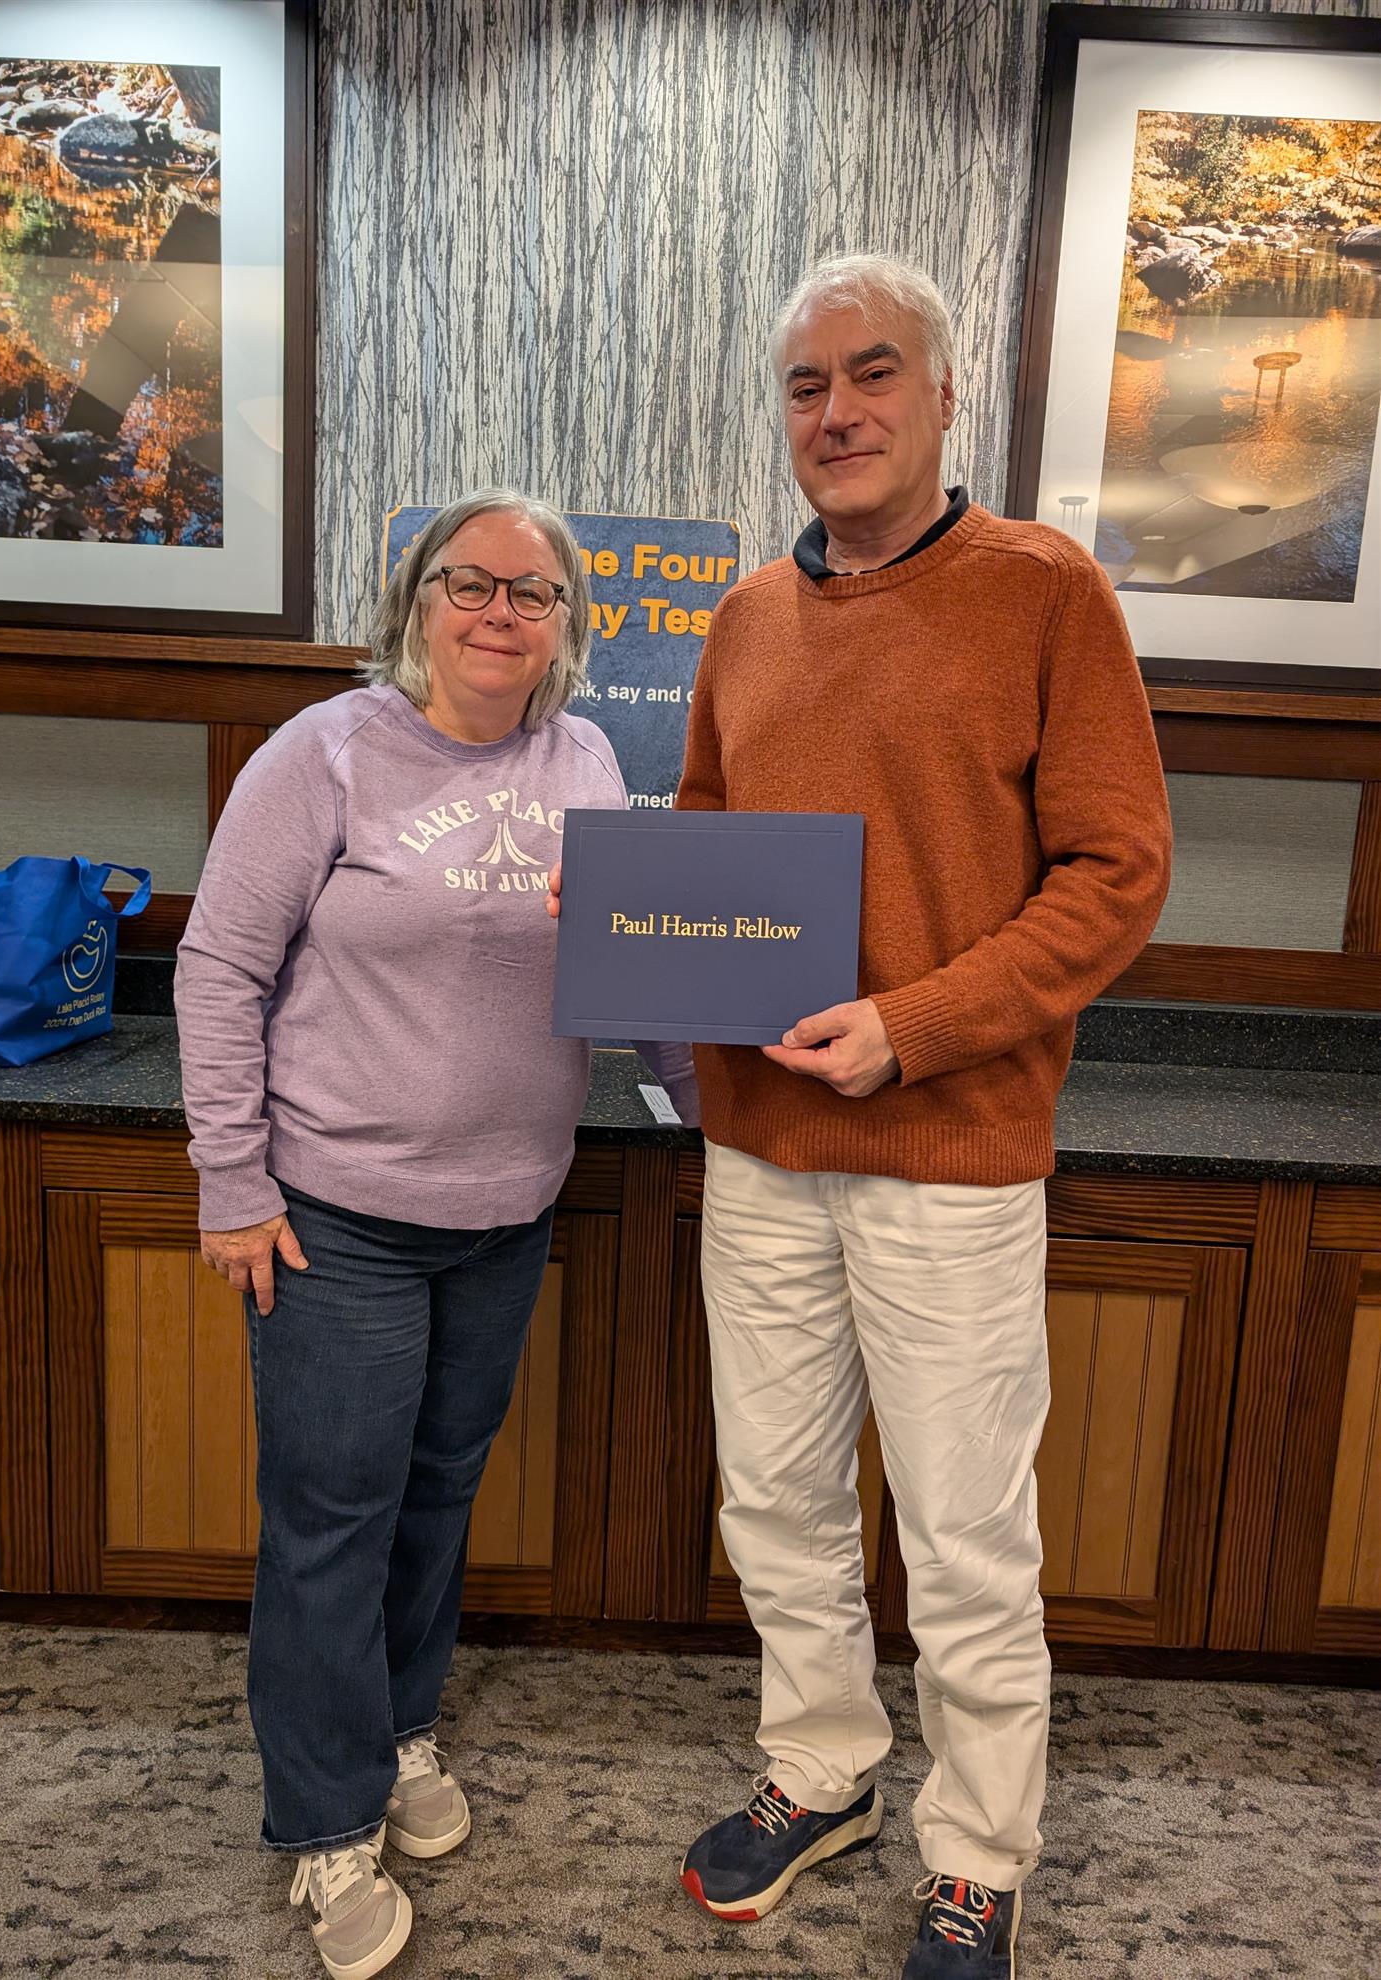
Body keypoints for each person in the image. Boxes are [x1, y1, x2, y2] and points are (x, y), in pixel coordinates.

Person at [672, 255, 1172, 1977]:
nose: (837, 412)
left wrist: (915, 1027)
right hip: (758, 1151)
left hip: (950, 1157)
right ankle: (822, 1771)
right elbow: (703, 848)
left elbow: (1115, 871)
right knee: (773, 1501)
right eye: (805, 386)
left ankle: (975, 1850)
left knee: (962, 1536)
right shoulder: (746, 616)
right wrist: (639, 943)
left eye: (871, 373)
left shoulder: (1043, 592)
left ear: (945, 396)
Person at [175, 488, 696, 1980]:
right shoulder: (323, 752)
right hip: (333, 1216)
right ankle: (326, 1821)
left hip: (505, 1212)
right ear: (416, 599)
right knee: (331, 1516)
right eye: (469, 583)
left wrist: (709, 1108)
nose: (497, 613)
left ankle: (398, 1727)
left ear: (567, 627)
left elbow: (635, 966)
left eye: (532, 593)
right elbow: (217, 969)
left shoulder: (587, 759)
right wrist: (233, 1182)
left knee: (434, 1495)